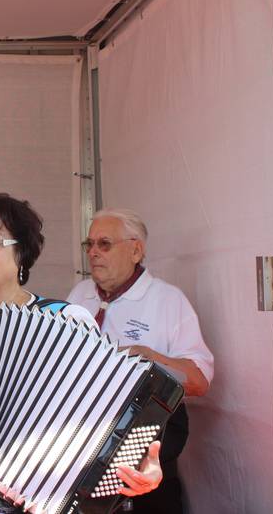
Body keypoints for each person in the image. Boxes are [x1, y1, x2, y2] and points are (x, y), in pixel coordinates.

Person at [0, 193, 162, 513]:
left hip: (36, 497)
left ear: (21, 253)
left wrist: (136, 461)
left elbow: (106, 412)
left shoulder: (66, 320)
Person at [67, 208, 214, 513]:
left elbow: (199, 381)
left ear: (135, 251)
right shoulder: (80, 295)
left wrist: (150, 359)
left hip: (144, 442)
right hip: (82, 444)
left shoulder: (167, 299)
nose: (92, 252)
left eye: (104, 244)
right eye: (89, 244)